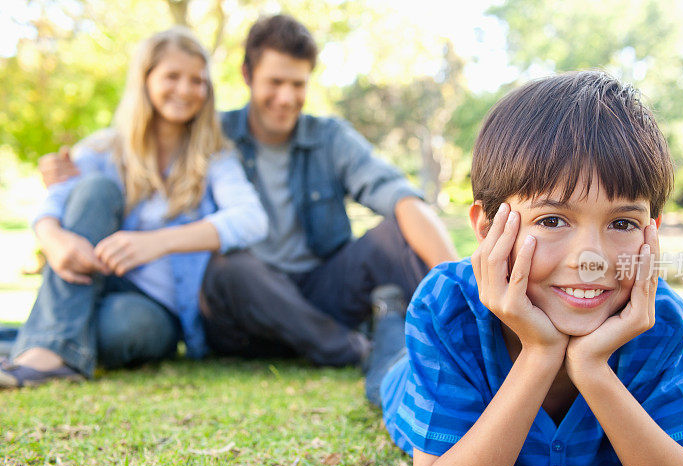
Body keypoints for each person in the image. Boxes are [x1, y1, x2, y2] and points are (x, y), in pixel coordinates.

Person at [372, 72, 683, 466]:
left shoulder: (658, 319)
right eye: (553, 219)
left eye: (622, 224)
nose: (590, 260)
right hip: (403, 376)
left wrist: (593, 368)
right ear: (486, 227)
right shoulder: (446, 308)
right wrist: (539, 354)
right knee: (382, 361)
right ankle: (384, 317)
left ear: (652, 231)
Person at [38, 14, 458, 371]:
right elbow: (137, 150)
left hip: (317, 291)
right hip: (240, 308)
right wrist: (64, 181)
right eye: (275, 82)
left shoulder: (328, 138)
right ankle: (349, 348)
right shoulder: (210, 137)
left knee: (396, 230)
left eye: (298, 84)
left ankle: (460, 333)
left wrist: (461, 281)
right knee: (231, 266)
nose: (286, 97)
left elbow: (401, 198)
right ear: (246, 76)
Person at [0, 27, 267, 388]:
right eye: (172, 76)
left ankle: (36, 344)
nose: (186, 90)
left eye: (197, 81)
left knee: (126, 327)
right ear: (145, 80)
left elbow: (251, 220)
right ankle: (48, 356)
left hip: (152, 308)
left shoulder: (215, 157)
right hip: (92, 282)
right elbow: (56, 200)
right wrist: (54, 239)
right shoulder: (102, 149)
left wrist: (160, 241)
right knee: (95, 189)